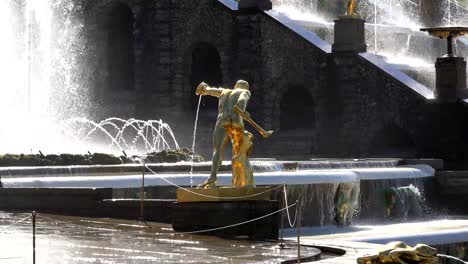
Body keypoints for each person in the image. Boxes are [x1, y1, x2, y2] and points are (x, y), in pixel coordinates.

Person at [195, 80, 253, 188]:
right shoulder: (245, 92)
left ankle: (212, 177)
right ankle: (242, 181)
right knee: (239, 152)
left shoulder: (224, 91)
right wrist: (243, 112)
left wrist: (203, 89)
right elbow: (241, 102)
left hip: (222, 120)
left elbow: (208, 90)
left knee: (217, 149)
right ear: (246, 88)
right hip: (236, 121)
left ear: (235, 86)